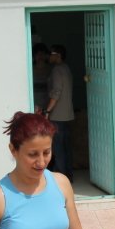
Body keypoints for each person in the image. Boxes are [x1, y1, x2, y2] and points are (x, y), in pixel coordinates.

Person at [45, 44, 74, 181]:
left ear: (58, 55)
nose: (49, 56)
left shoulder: (57, 70)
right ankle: (68, 175)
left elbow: (56, 92)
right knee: (66, 146)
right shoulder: (66, 68)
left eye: (51, 54)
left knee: (58, 147)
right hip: (67, 114)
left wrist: (48, 110)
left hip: (57, 115)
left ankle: (61, 176)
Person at [32, 43, 51, 113]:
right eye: (37, 54)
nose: (40, 56)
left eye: (42, 54)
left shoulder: (51, 70)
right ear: (34, 56)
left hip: (48, 106)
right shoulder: (30, 70)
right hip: (33, 106)